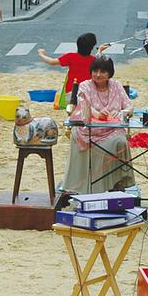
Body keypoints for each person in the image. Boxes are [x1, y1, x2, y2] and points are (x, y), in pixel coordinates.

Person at [60, 55, 134, 194]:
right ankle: (87, 185)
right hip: (88, 130)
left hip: (111, 129)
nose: (98, 75)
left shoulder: (117, 86)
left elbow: (129, 106)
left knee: (120, 142)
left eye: (103, 72)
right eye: (95, 71)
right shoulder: (85, 86)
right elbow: (84, 105)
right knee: (80, 135)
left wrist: (125, 112)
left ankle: (116, 182)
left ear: (109, 73)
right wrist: (98, 113)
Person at [37, 32, 107, 103]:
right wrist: (100, 50)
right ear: (91, 47)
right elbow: (98, 59)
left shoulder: (70, 57)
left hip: (71, 92)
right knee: (87, 112)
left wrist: (41, 54)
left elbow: (51, 62)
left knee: (73, 112)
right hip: (88, 92)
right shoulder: (93, 60)